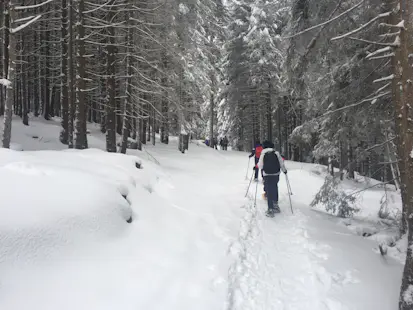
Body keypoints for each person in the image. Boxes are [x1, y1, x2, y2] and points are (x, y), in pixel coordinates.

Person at [257, 140, 287, 216]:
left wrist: (257, 167)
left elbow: (260, 165)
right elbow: (281, 163)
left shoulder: (263, 153)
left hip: (267, 174)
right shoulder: (276, 153)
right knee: (274, 187)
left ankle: (270, 209)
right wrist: (284, 171)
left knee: (269, 189)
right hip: (276, 174)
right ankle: (276, 205)